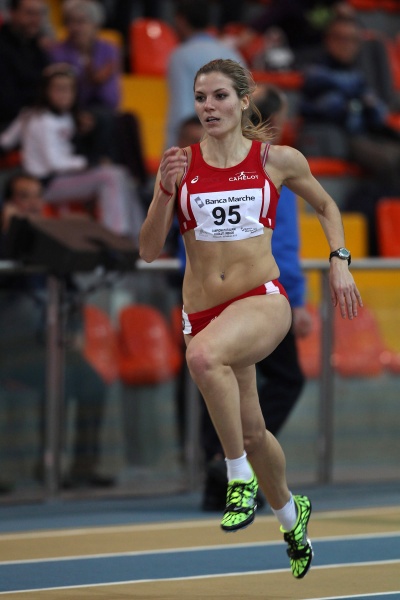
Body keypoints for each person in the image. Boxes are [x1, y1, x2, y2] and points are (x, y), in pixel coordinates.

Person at [139, 58, 362, 579]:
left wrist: (339, 261)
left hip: (261, 299)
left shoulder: (276, 159)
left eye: (219, 96)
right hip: (204, 310)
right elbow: (148, 250)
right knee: (255, 431)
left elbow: (327, 207)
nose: (209, 107)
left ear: (243, 101)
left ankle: (237, 476)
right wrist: (164, 192)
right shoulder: (180, 165)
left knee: (203, 358)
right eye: (201, 98)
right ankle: (290, 515)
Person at [201, 84, 313, 511]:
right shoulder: (269, 164)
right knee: (285, 378)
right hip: (259, 295)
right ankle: (231, 459)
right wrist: (295, 300)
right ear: (273, 120)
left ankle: (221, 470)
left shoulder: (210, 160)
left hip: (208, 295)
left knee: (218, 376)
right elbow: (280, 242)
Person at [0, 172, 114, 489]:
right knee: (58, 382)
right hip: (11, 347)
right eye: (23, 196)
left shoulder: (51, 243)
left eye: (37, 196)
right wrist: (9, 232)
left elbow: (72, 294)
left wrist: (75, 329)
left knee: (93, 385)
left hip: (48, 345)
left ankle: (82, 467)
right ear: (8, 203)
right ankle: (47, 463)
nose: (33, 203)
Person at [0, 63, 144, 242]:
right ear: (46, 91)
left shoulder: (51, 115)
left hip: (62, 177)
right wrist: (91, 163)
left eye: (69, 90)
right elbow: (55, 163)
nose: (64, 95)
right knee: (110, 176)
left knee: (122, 174)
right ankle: (115, 237)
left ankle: (139, 237)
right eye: (58, 89)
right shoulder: (39, 119)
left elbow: (5, 140)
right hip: (44, 184)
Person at [298, 14, 400, 255]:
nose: (347, 45)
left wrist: (361, 102)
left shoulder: (359, 74)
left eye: (353, 40)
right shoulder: (316, 70)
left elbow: (377, 112)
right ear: (328, 40)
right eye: (341, 38)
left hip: (365, 133)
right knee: (389, 159)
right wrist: (357, 99)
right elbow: (329, 107)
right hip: (338, 136)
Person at [50, 0, 148, 184]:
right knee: (103, 120)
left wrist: (94, 82)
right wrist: (90, 82)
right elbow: (59, 94)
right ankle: (108, 168)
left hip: (101, 112)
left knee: (128, 120)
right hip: (70, 112)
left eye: (81, 22)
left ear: (95, 25)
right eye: (71, 22)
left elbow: (112, 98)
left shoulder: (109, 50)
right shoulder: (57, 53)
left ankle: (137, 179)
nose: (75, 28)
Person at [165, 0, 243, 148]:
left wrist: (173, 150)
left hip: (195, 145)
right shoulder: (232, 53)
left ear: (180, 20)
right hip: (232, 143)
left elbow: (182, 110)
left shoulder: (181, 55)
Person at [0, 0, 50, 133]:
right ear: (12, 13)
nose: (36, 20)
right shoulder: (3, 47)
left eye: (40, 14)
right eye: (30, 13)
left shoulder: (37, 47)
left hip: (38, 118)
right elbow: (6, 100)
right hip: (10, 123)